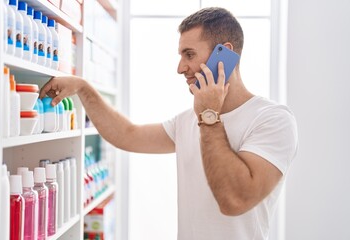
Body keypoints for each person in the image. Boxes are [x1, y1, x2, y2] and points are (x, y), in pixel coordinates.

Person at [40, 7, 298, 240]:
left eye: (189, 54)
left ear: (225, 55)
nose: (180, 67)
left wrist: (209, 117)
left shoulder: (273, 119)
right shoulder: (188, 119)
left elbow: (233, 200)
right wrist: (84, 89)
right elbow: (128, 135)